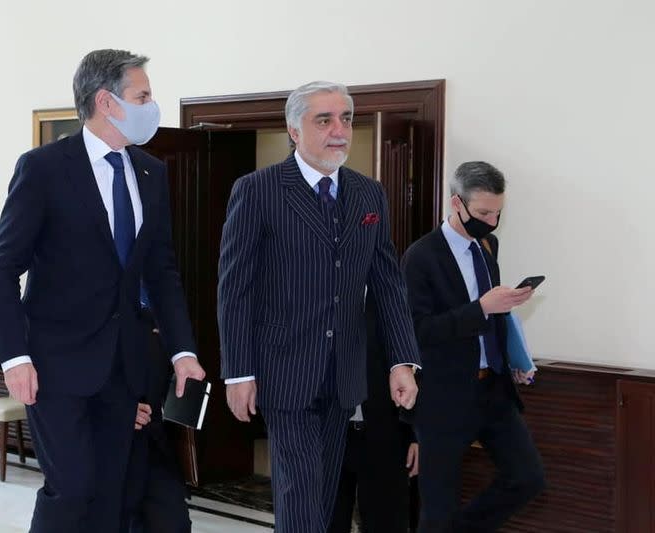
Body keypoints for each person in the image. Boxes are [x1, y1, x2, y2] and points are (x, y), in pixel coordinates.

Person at [0, 49, 204, 533]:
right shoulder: (43, 168)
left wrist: (183, 349)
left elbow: (161, 271)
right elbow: (2, 271)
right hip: (55, 366)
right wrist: (13, 357)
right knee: (72, 487)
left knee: (113, 489)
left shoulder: (150, 172)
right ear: (106, 102)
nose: (152, 104)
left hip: (124, 366)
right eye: (142, 95)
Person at [217, 80, 421, 533]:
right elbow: (235, 290)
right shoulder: (258, 190)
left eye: (346, 119)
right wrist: (238, 371)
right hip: (283, 373)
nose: (339, 130)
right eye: (324, 119)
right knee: (303, 494)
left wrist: (402, 362)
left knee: (324, 496)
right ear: (294, 130)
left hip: (344, 375)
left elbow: (388, 284)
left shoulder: (369, 194)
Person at [401, 161, 545, 532]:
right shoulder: (420, 257)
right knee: (438, 508)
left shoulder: (487, 245)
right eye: (483, 213)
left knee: (527, 478)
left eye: (497, 213)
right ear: (456, 203)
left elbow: (491, 317)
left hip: (493, 389)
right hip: (443, 397)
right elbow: (416, 330)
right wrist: (480, 308)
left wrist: (511, 355)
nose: (492, 222)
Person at [328, 291, 419, 533]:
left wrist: (416, 436)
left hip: (385, 432)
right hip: (328, 433)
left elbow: (418, 365)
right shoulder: (317, 289)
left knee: (386, 522)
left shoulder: (395, 297)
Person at [123, 309, 192, 533]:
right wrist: (116, 407)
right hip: (111, 440)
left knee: (172, 519)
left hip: (156, 437)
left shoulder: (161, 300)